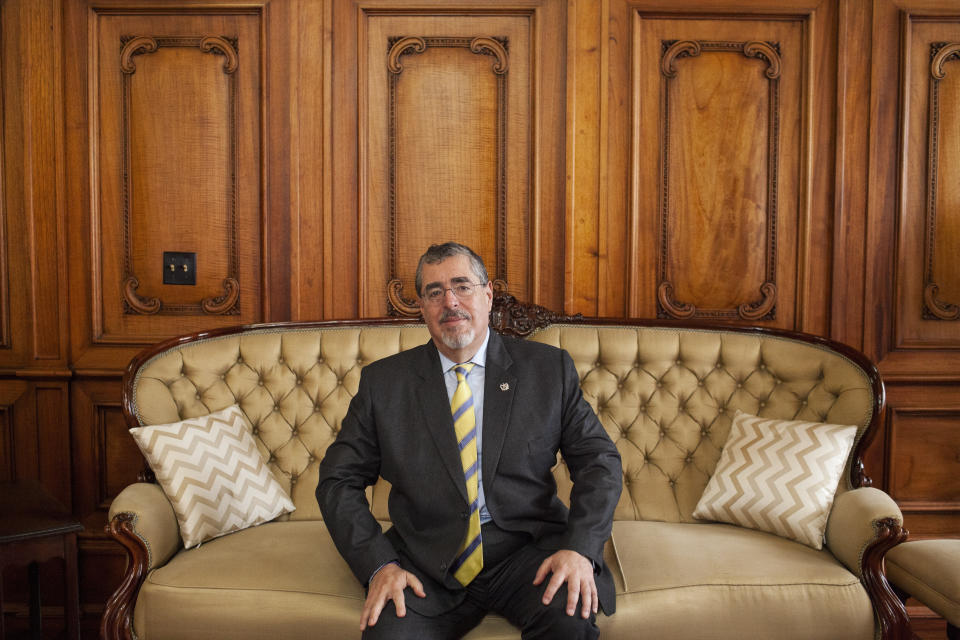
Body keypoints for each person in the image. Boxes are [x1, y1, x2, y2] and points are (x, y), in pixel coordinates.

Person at [316, 242, 622, 639]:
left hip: (528, 552)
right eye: (434, 292)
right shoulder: (385, 384)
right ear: (422, 307)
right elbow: (337, 481)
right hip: (426, 561)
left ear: (488, 294)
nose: (450, 302)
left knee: (569, 620)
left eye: (462, 286)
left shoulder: (548, 370)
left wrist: (580, 549)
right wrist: (380, 566)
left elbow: (599, 461)